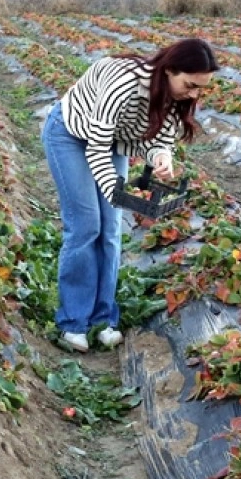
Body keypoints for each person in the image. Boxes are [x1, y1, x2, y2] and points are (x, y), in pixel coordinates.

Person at [41, 38, 218, 353]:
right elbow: (97, 145)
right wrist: (116, 191)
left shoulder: (178, 97)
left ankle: (104, 318)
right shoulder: (123, 82)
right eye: (190, 85)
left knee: (110, 231)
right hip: (71, 135)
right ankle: (73, 323)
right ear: (169, 70)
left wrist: (162, 158)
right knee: (86, 226)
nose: (194, 94)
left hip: (114, 143)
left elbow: (159, 139)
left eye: (201, 89)